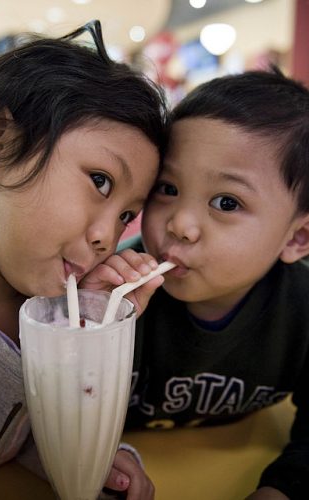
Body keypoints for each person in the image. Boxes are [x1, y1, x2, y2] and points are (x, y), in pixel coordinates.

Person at [0, 20, 168, 498]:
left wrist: (91, 453)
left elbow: (16, 432)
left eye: (126, 215)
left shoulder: (56, 292)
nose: (106, 238)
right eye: (101, 181)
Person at [83, 67, 309, 499]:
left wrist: (280, 490)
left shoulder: (301, 308)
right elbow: (48, 407)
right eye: (167, 188)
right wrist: (93, 328)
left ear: (297, 237)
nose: (181, 225)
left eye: (227, 202)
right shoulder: (110, 288)